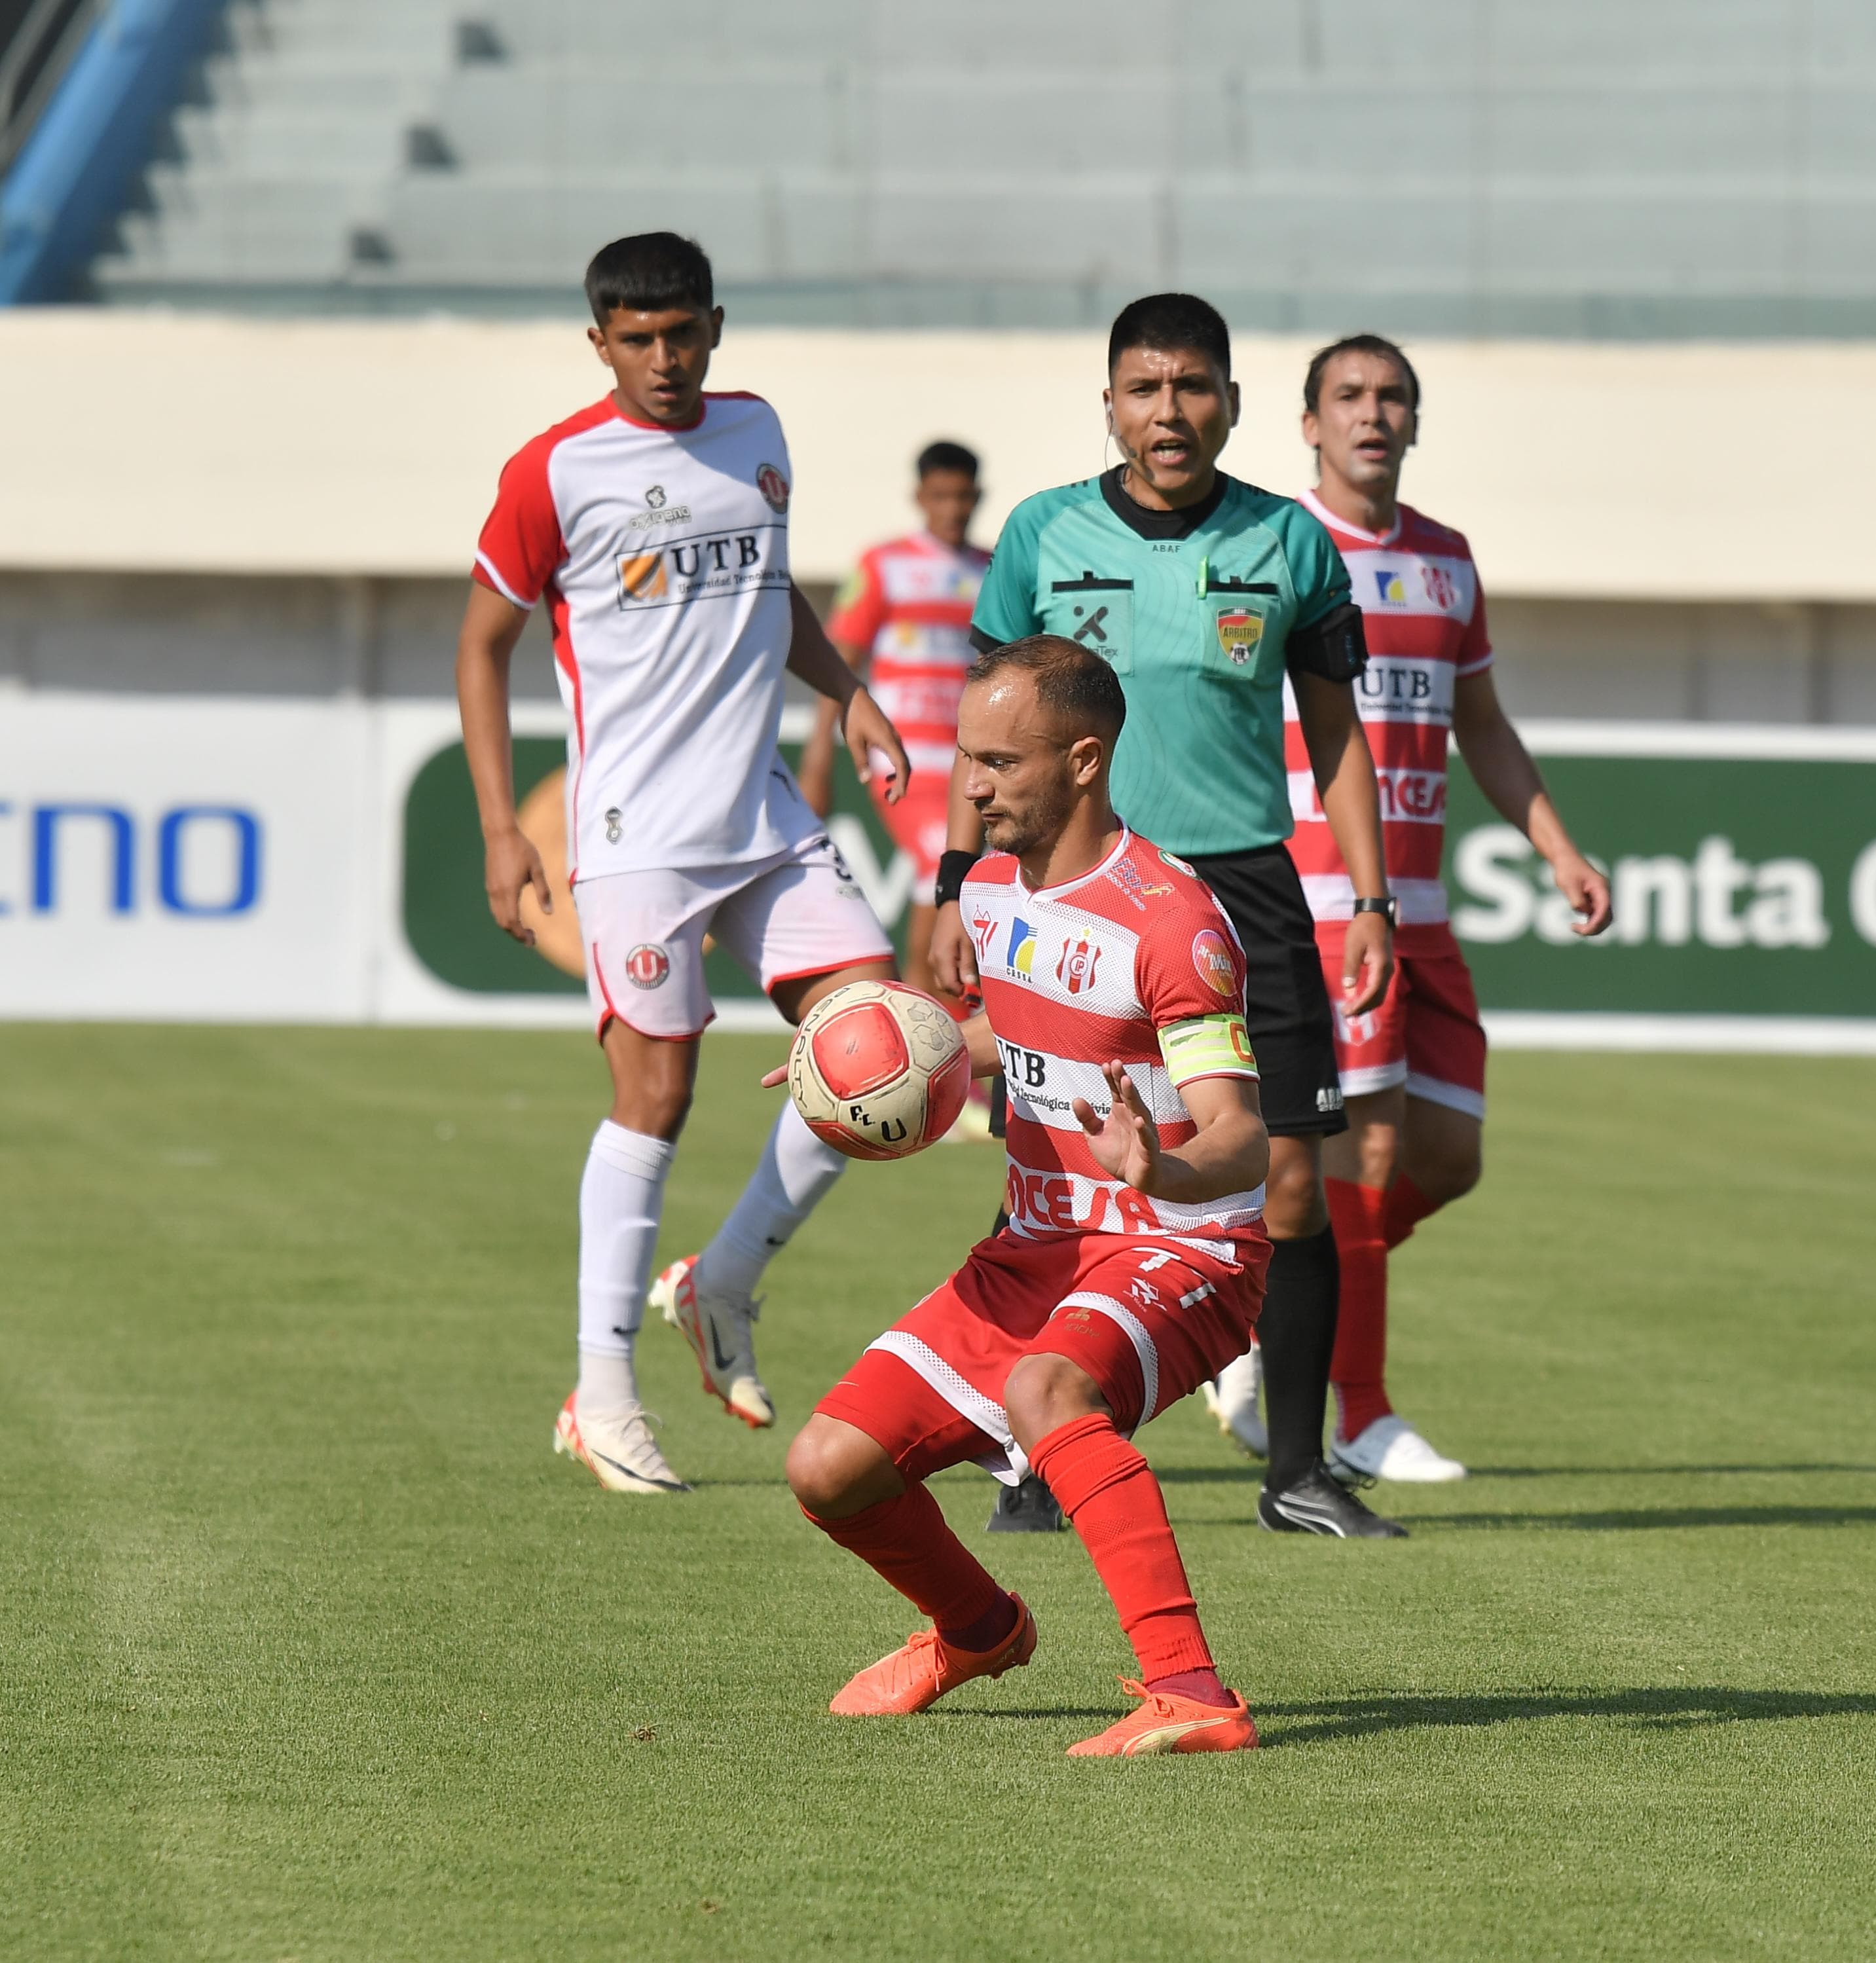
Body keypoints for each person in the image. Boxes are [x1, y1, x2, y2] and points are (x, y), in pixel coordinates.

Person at [937, 293, 1405, 1539]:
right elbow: (981, 733)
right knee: (1052, 1176)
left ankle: (1298, 1472)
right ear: (1110, 403)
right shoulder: (1040, 532)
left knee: (1294, 1178)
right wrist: (950, 881)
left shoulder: (1291, 543)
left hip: (1245, 892)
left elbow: (1340, 736)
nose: (1169, 411)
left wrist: (1368, 895)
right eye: (1145, 388)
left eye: (1193, 387)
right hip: (1074, 898)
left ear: (1234, 405)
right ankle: (1036, 1453)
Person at [456, 232, 913, 1492]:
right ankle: (602, 1394)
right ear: (599, 343)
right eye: (636, 339)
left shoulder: (756, 428)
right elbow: (482, 644)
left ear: (715, 326)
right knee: (657, 1098)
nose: (664, 359)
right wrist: (502, 825)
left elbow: (773, 595)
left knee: (882, 1050)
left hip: (761, 815)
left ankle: (720, 1282)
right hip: (633, 838)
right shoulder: (552, 472)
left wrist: (851, 690)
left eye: (683, 335)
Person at [785, 635, 1266, 1755]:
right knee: (828, 1468)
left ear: (1087, 761)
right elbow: (1024, 1029)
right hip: (1036, 1246)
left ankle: (1192, 1693)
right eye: (968, 758)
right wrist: (870, 1053)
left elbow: (1246, 1138)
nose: (974, 785)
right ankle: (979, 1629)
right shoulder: (995, 892)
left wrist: (1164, 1166)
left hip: (1185, 1244)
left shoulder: (1174, 923)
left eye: (1003, 762)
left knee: (1052, 1391)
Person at [1260, 333, 1610, 1484]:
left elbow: (1484, 725)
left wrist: (1557, 846)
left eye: (1392, 396)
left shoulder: (1447, 560)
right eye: (1348, 397)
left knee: (1446, 1156)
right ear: (1309, 423)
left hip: (1423, 907)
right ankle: (1353, 1409)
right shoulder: (1275, 550)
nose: (1373, 413)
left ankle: (1278, 1301)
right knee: (1360, 1153)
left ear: (1416, 420)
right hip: (1319, 903)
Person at [798, 439, 991, 999]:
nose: (953, 508)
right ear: (920, 496)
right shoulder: (883, 565)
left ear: (977, 496)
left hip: (964, 758)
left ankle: (931, 1025)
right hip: (901, 758)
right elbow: (841, 663)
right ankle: (933, 1018)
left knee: (960, 882)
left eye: (963, 496)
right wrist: (818, 759)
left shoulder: (991, 569)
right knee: (942, 862)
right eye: (941, 496)